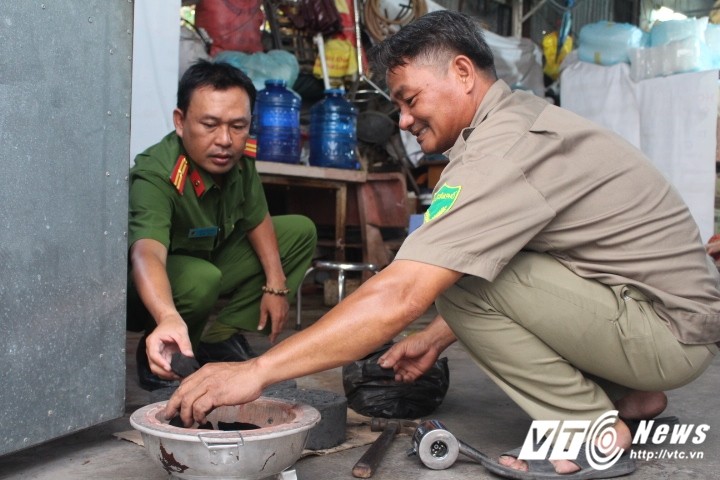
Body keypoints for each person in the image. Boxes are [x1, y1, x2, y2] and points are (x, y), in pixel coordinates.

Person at [165, 11, 720, 478]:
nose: (403, 121)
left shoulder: (500, 152)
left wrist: (256, 372)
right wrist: (437, 337)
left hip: (666, 333)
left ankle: (595, 431)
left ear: (461, 72)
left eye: (409, 100)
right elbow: (538, 261)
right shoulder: (519, 124)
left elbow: (402, 292)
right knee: (459, 282)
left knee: (452, 284)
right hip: (665, 321)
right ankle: (634, 399)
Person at [127, 59, 317, 391]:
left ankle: (217, 338)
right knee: (202, 278)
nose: (225, 140)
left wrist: (276, 284)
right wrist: (167, 317)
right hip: (149, 292)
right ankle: (161, 353)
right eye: (210, 124)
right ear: (180, 121)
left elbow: (257, 218)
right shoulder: (157, 173)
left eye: (238, 126)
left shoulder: (239, 162)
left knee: (299, 231)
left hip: (209, 262)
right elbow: (147, 253)